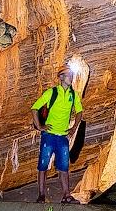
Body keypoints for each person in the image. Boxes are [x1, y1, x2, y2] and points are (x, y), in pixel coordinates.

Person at [31, 66, 84, 203]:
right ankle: (41, 195)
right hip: (49, 136)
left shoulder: (73, 95)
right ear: (61, 77)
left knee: (63, 168)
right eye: (68, 75)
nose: (71, 78)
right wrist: (39, 126)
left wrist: (74, 128)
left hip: (62, 137)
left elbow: (79, 112)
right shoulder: (52, 93)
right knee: (43, 166)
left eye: (71, 75)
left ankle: (66, 195)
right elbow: (35, 108)